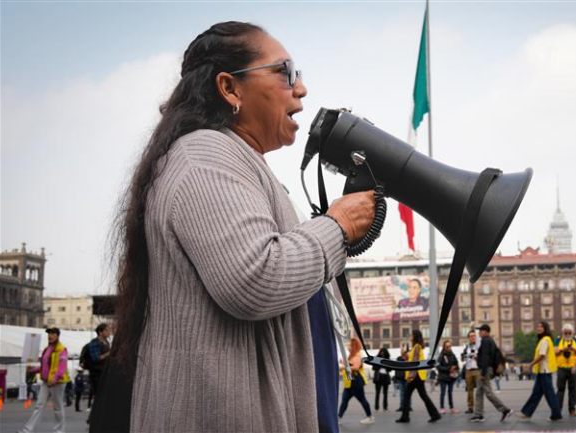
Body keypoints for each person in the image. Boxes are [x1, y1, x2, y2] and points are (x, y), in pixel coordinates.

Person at [98, 21, 376, 433]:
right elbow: (255, 279)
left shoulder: (233, 159)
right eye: (286, 72)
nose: (300, 88)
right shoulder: (204, 154)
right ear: (230, 88)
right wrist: (337, 227)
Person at [19, 328, 70, 433]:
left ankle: (59, 431)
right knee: (39, 406)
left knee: (58, 407)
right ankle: (27, 430)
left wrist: (55, 379)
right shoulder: (47, 348)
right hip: (46, 381)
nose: (50, 335)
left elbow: (62, 367)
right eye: (49, 333)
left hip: (58, 382)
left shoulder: (62, 349)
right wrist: (33, 370)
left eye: (52, 333)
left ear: (57, 336)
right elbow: (45, 367)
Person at [517, 322, 563, 422]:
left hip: (545, 371)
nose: (538, 328)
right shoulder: (545, 340)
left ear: (545, 328)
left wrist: (530, 365)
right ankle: (527, 412)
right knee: (537, 393)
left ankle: (556, 415)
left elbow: (541, 355)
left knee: (549, 394)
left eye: (541, 326)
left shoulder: (545, 340)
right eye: (537, 326)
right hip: (542, 371)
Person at [396, 330, 441, 423]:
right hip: (418, 375)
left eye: (411, 335)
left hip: (416, 376)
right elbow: (412, 360)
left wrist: (410, 376)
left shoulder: (416, 347)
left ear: (415, 336)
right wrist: (404, 354)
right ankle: (434, 414)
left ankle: (406, 417)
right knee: (420, 396)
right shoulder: (416, 347)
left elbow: (415, 363)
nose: (410, 336)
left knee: (408, 395)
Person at [470, 324, 512, 423]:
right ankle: (478, 415)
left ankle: (505, 410)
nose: (479, 332)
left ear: (486, 331)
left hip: (485, 369)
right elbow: (489, 356)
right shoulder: (490, 341)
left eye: (481, 330)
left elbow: (486, 358)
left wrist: (483, 373)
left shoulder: (485, 341)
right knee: (479, 392)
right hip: (487, 368)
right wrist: (478, 358)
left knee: (488, 392)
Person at [338, 338, 375, 425]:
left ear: (354, 346)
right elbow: (347, 367)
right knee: (344, 401)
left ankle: (370, 417)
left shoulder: (358, 356)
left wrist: (343, 367)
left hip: (356, 382)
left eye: (350, 345)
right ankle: (338, 417)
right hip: (349, 383)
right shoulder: (351, 356)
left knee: (362, 399)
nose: (348, 347)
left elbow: (356, 367)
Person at [555, 323, 576, 417]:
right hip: (561, 368)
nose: (568, 334)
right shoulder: (558, 339)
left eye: (569, 332)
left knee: (573, 389)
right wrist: (563, 349)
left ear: (572, 333)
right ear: (563, 332)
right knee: (560, 389)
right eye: (566, 332)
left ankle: (572, 409)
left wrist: (574, 349)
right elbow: (555, 352)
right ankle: (558, 409)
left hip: (573, 368)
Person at [87, 323, 111, 409]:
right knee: (98, 395)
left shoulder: (107, 342)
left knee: (104, 395)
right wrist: (108, 354)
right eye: (106, 330)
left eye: (109, 330)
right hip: (96, 373)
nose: (109, 332)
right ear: (100, 332)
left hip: (104, 372)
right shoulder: (95, 342)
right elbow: (96, 358)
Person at [461, 330, 481, 414]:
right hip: (468, 370)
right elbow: (463, 359)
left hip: (477, 369)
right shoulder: (467, 347)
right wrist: (463, 356)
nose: (472, 337)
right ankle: (470, 407)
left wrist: (477, 357)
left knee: (479, 390)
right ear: (468, 338)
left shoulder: (480, 346)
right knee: (469, 390)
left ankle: (479, 408)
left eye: (474, 335)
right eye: (470, 336)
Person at [437, 341, 459, 414]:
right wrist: (448, 369)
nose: (449, 348)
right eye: (447, 346)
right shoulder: (441, 355)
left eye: (450, 346)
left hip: (451, 377)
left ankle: (452, 407)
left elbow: (456, 364)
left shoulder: (453, 355)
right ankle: (442, 407)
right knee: (443, 393)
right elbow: (438, 366)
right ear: (444, 347)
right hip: (443, 377)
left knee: (450, 392)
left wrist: (455, 367)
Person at [372, 347, 391, 412]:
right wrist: (380, 364)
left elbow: (390, 369)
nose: (382, 354)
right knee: (377, 393)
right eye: (381, 353)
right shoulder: (376, 359)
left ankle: (385, 407)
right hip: (378, 377)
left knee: (385, 393)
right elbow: (374, 368)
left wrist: (385, 365)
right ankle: (376, 407)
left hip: (385, 377)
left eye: (383, 353)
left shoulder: (388, 360)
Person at [394, 345, 409, 412]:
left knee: (407, 393)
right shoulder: (398, 358)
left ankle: (408, 406)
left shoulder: (408, 357)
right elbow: (396, 368)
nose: (401, 351)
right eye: (401, 350)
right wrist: (396, 378)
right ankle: (401, 406)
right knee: (401, 393)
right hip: (400, 378)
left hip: (406, 378)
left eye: (403, 350)